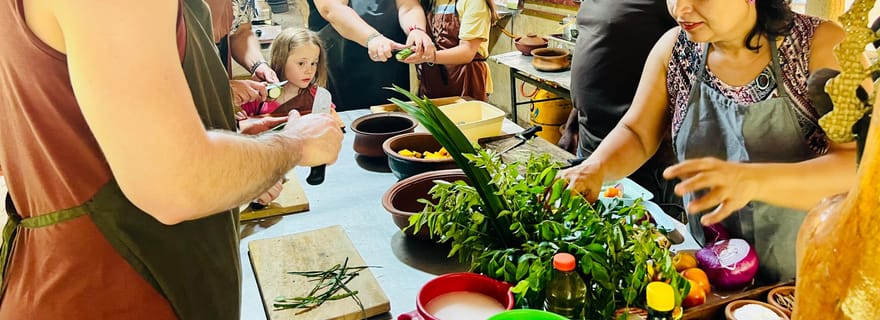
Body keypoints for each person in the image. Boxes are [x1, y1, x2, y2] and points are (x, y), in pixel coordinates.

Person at [0, 0, 343, 318]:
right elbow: (175, 183)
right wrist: (295, 144)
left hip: (80, 273)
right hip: (116, 287)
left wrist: (238, 154)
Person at [559, 0, 858, 284]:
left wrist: (755, 181)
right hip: (712, 271)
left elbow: (859, 166)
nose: (680, 9)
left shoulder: (823, 47)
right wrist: (595, 168)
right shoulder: (675, 49)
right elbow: (638, 132)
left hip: (810, 276)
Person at [557, 0, 678, 208]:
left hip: (640, 156)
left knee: (641, 230)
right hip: (592, 142)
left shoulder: (671, 9)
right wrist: (572, 125)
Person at [307, 0, 436, 110]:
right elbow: (333, 9)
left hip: (391, 68)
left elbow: (408, 6)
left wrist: (416, 30)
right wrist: (372, 38)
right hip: (343, 68)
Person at [238, 27, 343, 127]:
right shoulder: (260, 96)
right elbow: (244, 126)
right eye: (301, 63)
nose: (309, 70)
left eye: (313, 63)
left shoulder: (318, 97)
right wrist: (240, 118)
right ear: (281, 60)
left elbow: (332, 121)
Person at [396, 0, 498, 101]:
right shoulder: (431, 2)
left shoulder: (474, 2)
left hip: (466, 81)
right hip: (433, 81)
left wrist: (430, 57)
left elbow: (467, 51)